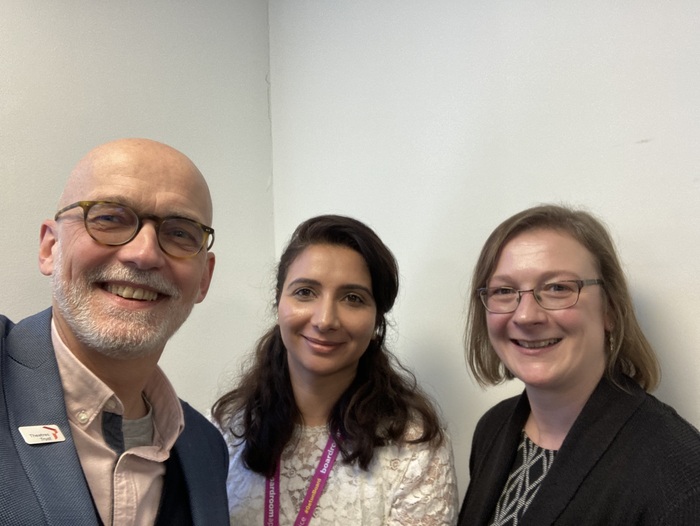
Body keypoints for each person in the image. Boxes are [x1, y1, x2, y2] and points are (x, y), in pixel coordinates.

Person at [0, 138, 229, 525]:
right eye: (108, 218)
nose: (143, 254)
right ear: (50, 247)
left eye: (179, 233)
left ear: (204, 278)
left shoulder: (206, 449)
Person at [458, 204, 700, 525]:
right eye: (504, 291)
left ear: (610, 309)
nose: (526, 315)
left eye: (558, 288)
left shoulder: (678, 471)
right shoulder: (494, 427)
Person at [213, 214, 458, 525]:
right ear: (279, 304)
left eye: (353, 298)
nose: (325, 319)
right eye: (305, 292)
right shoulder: (224, 430)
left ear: (376, 322)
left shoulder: (414, 447)